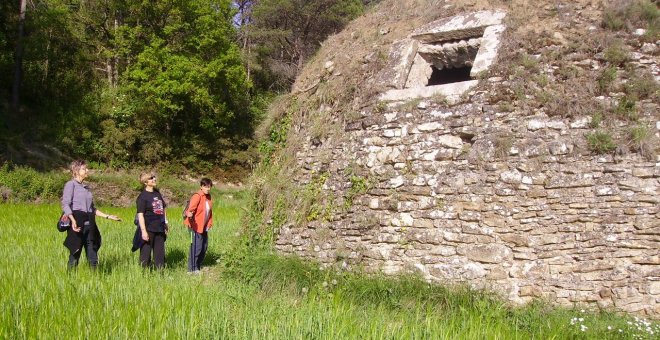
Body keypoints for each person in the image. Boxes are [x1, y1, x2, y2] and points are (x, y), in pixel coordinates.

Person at [61, 160, 122, 269]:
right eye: (84, 169)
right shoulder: (71, 185)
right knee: (75, 254)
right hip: (77, 223)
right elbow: (65, 204)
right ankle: (70, 279)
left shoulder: (86, 187)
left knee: (93, 255)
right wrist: (73, 220)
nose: (87, 170)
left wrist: (108, 216)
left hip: (90, 223)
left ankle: (95, 278)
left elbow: (92, 209)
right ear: (76, 171)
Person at [136, 172, 169, 269]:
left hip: (159, 227)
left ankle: (160, 273)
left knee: (160, 254)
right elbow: (140, 215)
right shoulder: (142, 197)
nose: (154, 179)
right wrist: (143, 231)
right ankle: (144, 274)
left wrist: (165, 222)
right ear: (145, 182)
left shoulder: (157, 193)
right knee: (145, 254)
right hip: (148, 228)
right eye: (151, 178)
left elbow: (163, 208)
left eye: (154, 177)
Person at [184, 178, 214, 273]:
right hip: (195, 226)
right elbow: (190, 209)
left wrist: (209, 223)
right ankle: (191, 269)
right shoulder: (197, 196)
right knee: (197, 247)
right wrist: (189, 213)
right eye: (205, 186)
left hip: (204, 226)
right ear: (201, 187)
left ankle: (197, 265)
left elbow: (209, 212)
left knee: (204, 247)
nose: (207, 188)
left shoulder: (208, 197)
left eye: (209, 186)